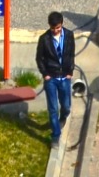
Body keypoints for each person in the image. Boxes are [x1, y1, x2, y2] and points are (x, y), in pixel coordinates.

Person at [35, 11, 76, 144]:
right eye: (53, 28)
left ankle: (63, 118)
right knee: (53, 108)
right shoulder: (44, 39)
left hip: (64, 76)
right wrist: (45, 74)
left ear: (62, 25)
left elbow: (71, 54)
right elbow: (39, 58)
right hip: (51, 78)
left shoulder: (69, 35)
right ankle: (55, 135)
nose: (55, 31)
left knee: (66, 106)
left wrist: (70, 71)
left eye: (58, 28)